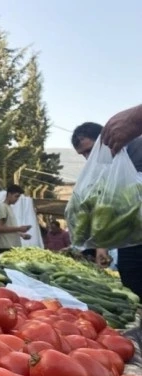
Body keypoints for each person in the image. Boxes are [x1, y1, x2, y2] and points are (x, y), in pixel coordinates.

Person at [72, 114, 142, 299]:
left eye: (90, 150)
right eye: (83, 155)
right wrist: (100, 246)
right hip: (131, 240)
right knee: (131, 278)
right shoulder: (103, 168)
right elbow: (106, 210)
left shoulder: (137, 147)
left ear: (106, 138)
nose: (88, 158)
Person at [0, 184, 32, 253]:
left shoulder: (9, 207)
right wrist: (19, 228)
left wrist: (21, 234)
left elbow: (8, 227)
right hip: (5, 247)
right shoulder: (1, 207)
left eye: (18, 197)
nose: (17, 199)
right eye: (16, 196)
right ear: (9, 194)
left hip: (12, 247)